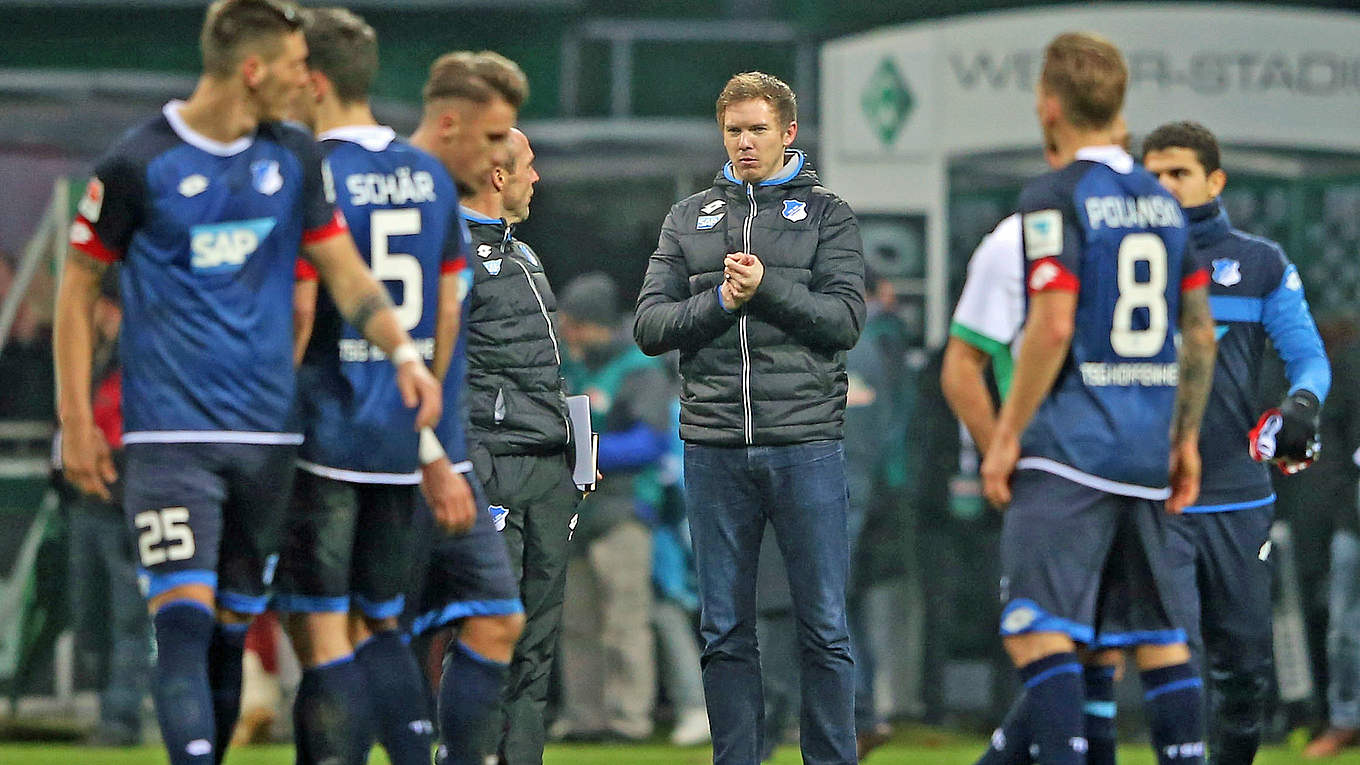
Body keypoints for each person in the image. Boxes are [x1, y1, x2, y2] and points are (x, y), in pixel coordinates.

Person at [51, 2, 441, 763]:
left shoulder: (294, 155)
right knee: (183, 620)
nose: (305, 79)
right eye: (295, 65)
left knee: (232, 626)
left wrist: (402, 351)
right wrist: (76, 419)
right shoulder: (138, 162)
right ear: (254, 70)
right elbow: (78, 286)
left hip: (267, 437)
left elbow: (343, 270)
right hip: (169, 437)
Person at [978, 31, 1216, 765]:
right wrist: (1183, 438)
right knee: (1154, 634)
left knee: (1038, 627)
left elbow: (1053, 322)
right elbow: (1199, 332)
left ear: (1050, 106)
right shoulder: (1164, 203)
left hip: (1070, 449)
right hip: (1146, 452)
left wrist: (1007, 433)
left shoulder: (1055, 195)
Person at [634, 70, 866, 765]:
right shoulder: (688, 217)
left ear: (787, 132)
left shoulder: (828, 215)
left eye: (757, 129)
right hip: (713, 446)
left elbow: (845, 320)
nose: (744, 142)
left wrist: (765, 290)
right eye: (733, 130)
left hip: (805, 442)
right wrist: (721, 304)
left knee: (823, 625)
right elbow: (649, 326)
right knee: (724, 629)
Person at [275, 10, 486, 764]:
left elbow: (302, 306)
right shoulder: (428, 174)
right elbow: (450, 308)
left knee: (320, 628)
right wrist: (423, 408)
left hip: (325, 429)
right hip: (401, 437)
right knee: (381, 624)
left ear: (314, 81)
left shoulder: (308, 169)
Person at [1141, 120, 1331, 764]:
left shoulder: (1259, 264)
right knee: (1177, 658)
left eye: (1179, 173)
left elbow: (1308, 357)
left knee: (1244, 669)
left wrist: (1302, 404)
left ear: (1215, 181)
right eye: (1154, 174)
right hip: (1153, 493)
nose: (1165, 186)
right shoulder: (1123, 256)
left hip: (1238, 495)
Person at [412, 118, 575, 765]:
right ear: (498, 175)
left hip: (547, 472)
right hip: (491, 466)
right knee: (484, 638)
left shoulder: (524, 255)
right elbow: (434, 368)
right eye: (528, 165)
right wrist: (465, 461)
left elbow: (542, 371)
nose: (536, 177)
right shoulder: (446, 252)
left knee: (535, 649)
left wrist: (573, 453)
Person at [399, 51, 532, 765]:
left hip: (446, 453)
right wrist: (433, 454)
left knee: (495, 620)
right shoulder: (403, 197)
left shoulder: (447, 213)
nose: (498, 157)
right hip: (387, 455)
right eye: (492, 138)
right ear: (450, 123)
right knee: (365, 633)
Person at [553, 272, 673, 743]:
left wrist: (587, 450)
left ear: (596, 323)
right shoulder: (573, 365)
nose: (568, 331)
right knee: (576, 623)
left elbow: (651, 441)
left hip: (624, 510)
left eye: (575, 323)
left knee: (625, 621)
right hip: (576, 511)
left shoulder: (638, 367)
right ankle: (586, 717)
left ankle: (629, 719)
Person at [55, 267, 151, 747]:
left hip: (120, 506)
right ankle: (108, 708)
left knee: (129, 617)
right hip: (86, 506)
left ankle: (122, 716)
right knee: (89, 616)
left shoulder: (138, 359)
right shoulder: (92, 360)